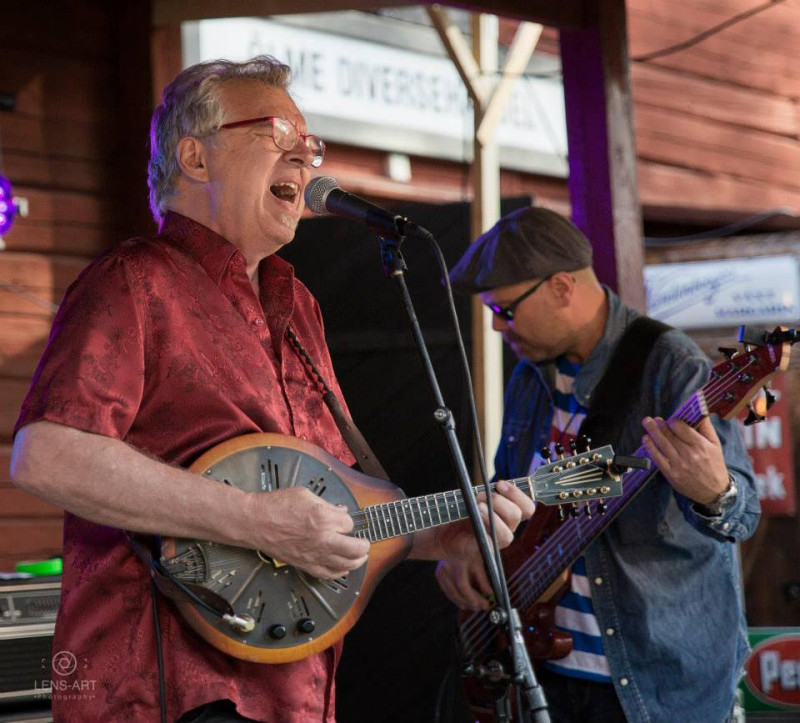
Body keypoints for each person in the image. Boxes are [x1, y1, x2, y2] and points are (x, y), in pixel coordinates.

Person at [9, 56, 534, 723]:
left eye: (311, 148)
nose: (306, 162)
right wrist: (258, 522)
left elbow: (337, 508)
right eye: (279, 135)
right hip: (165, 688)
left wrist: (443, 532)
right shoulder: (134, 280)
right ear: (196, 157)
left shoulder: (300, 306)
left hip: (296, 689)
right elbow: (48, 454)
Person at [437, 206, 760, 723]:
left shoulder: (671, 367)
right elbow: (511, 494)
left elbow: (742, 514)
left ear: (562, 287)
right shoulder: (531, 376)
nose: (498, 328)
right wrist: (472, 546)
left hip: (654, 684)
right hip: (547, 673)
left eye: (505, 311)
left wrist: (715, 491)